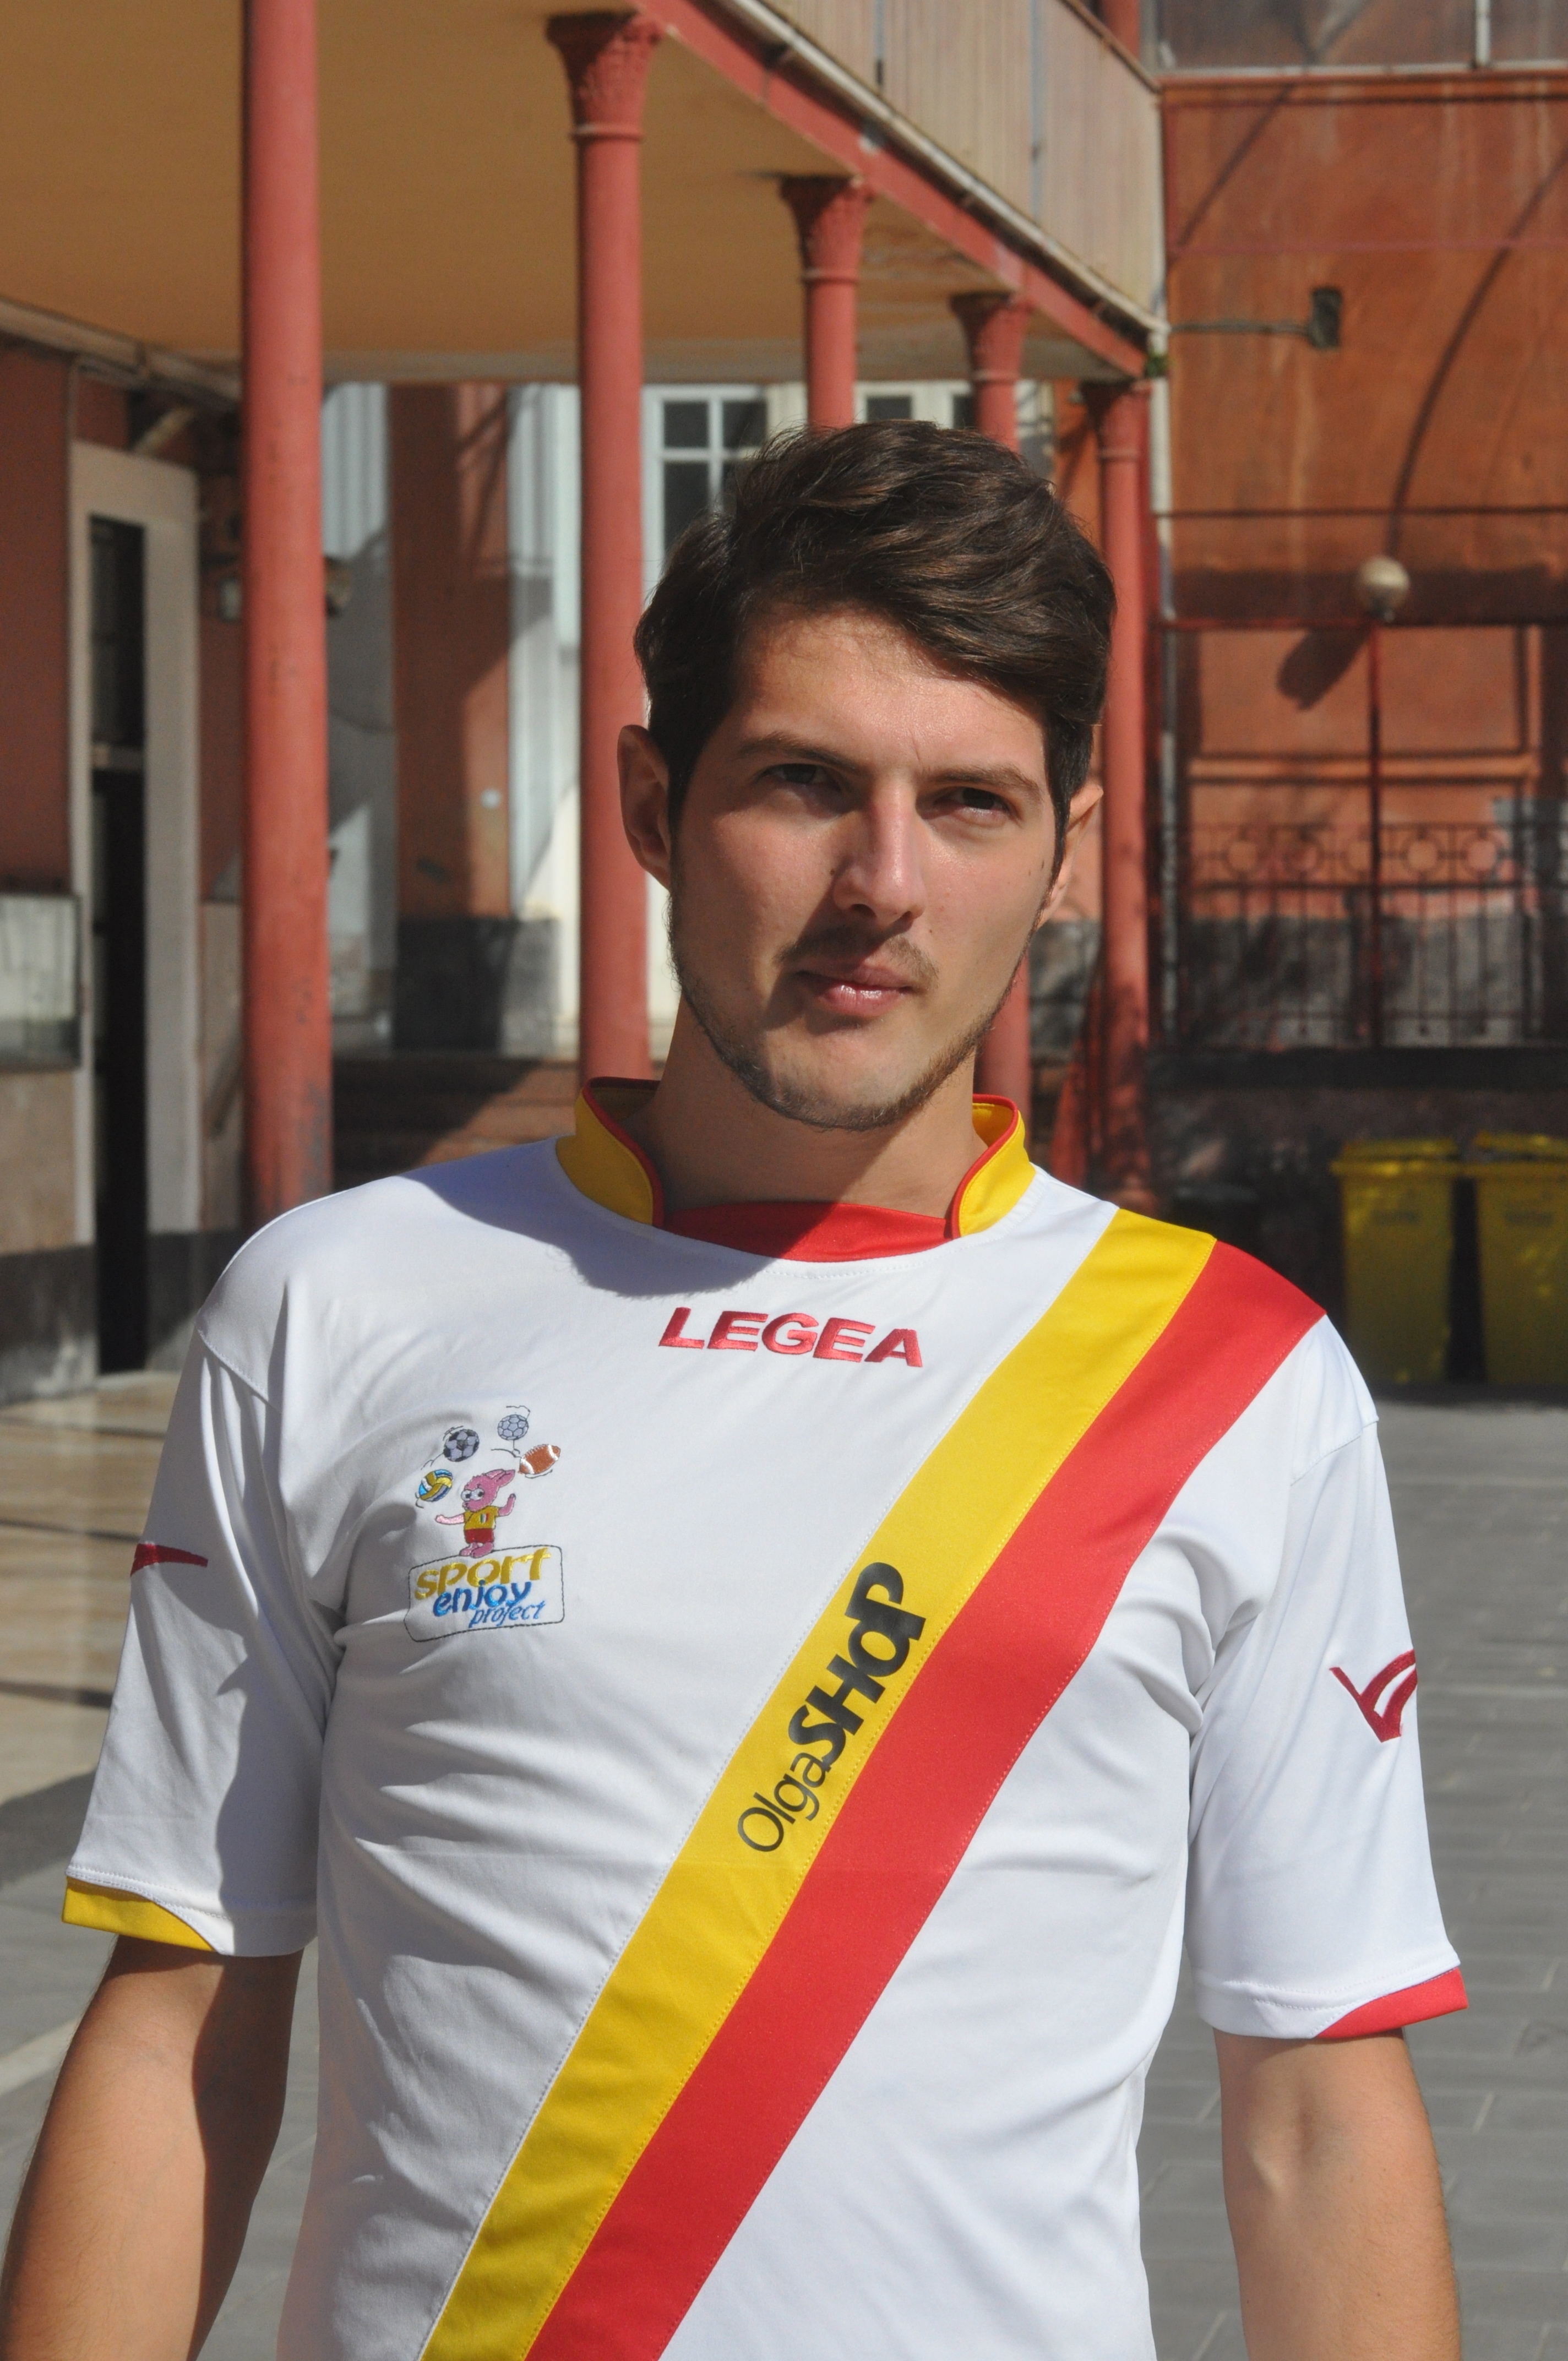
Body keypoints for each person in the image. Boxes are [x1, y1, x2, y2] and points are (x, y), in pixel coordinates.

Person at [0, 423, 1463, 2361]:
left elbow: (1318, 2116)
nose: (884, 883)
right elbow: (183, 2024)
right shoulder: (335, 1303)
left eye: (971, 803)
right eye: (803, 783)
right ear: (650, 802)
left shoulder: (1240, 1378)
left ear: (1067, 849)